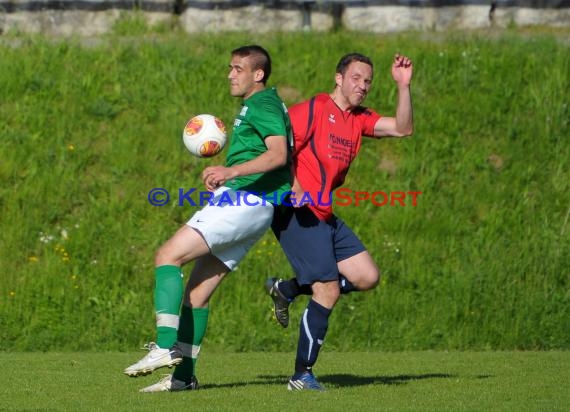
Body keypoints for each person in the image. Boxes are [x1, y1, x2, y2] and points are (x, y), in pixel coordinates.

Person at [124, 44, 292, 392]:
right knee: (196, 296)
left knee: (167, 256)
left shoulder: (262, 104)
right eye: (230, 68)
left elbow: (278, 155)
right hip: (257, 208)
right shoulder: (263, 104)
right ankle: (184, 378)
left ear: (257, 74)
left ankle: (165, 346)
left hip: (244, 200)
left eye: (238, 68)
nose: (231, 74)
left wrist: (230, 172)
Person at [266, 52, 414, 391]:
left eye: (368, 81)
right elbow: (278, 148)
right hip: (295, 211)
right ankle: (301, 375)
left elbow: (403, 129)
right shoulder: (314, 109)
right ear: (339, 78)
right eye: (356, 78)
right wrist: (295, 186)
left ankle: (286, 289)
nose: (363, 86)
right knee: (328, 290)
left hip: (324, 213)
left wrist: (403, 86)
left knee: (366, 276)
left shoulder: (359, 119)